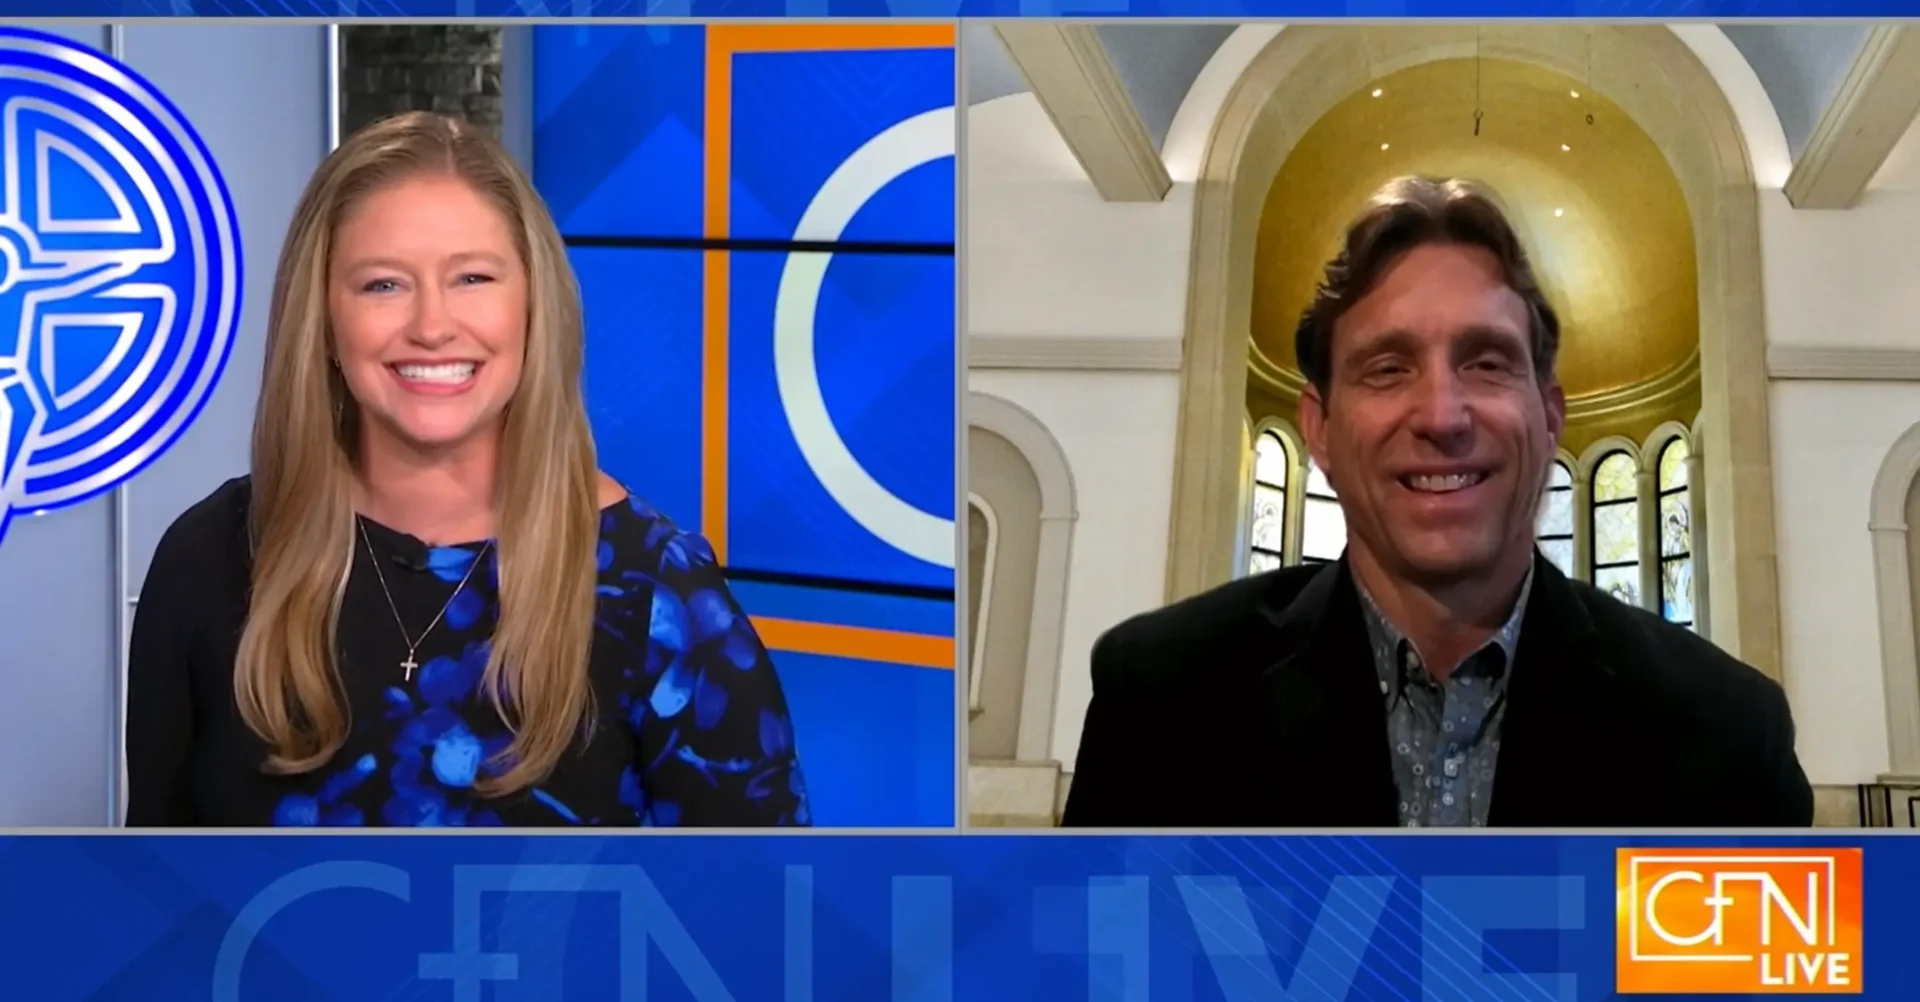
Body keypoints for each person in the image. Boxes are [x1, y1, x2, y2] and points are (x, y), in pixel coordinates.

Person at [1061, 176, 1811, 829]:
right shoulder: (1159, 702)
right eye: (1388, 369)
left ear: (1550, 418)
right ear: (1319, 429)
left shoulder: (1728, 732)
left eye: (1485, 363)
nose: (1443, 416)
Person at [125, 112, 809, 828]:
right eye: (383, 285)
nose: (432, 326)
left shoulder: (661, 599)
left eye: (472, 278)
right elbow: (150, 882)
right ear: (323, 321)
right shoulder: (210, 559)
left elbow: (766, 893)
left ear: (533, 307)